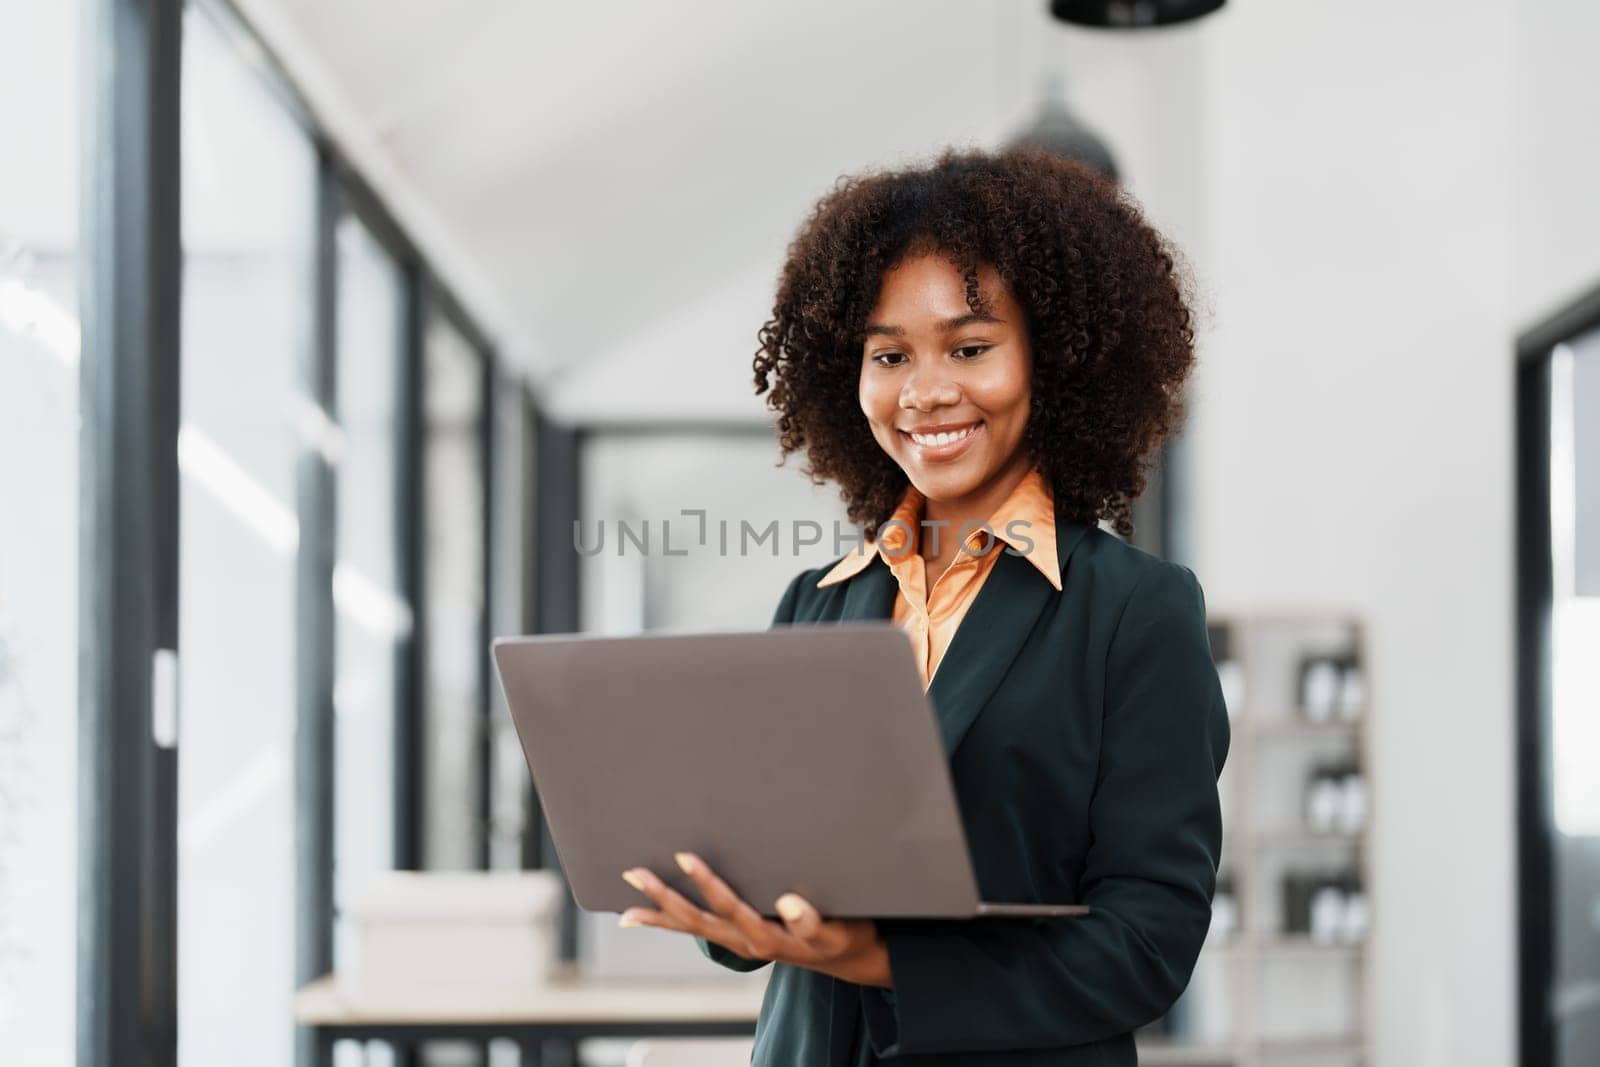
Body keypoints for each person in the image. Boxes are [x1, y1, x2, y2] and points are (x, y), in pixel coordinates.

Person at [614, 146, 1230, 1065]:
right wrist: (729, 910)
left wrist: (878, 959)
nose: (926, 391)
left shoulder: (1135, 611)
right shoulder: (816, 602)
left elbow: (1146, 944)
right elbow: (766, 886)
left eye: (970, 348)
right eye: (889, 354)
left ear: (1054, 360)